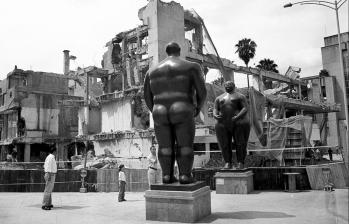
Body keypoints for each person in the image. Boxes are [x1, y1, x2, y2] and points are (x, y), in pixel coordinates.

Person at [143, 42, 207, 184]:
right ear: (179, 51)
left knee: (164, 147)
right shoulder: (191, 67)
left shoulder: (151, 71)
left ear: (166, 52)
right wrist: (197, 108)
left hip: (159, 110)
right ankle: (185, 176)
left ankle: (167, 176)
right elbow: (202, 92)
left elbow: (147, 96)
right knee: (184, 146)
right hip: (182, 107)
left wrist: (154, 109)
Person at [213, 81, 250, 169]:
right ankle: (227, 162)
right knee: (224, 143)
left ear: (234, 86)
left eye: (230, 85)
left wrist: (237, 117)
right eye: (226, 85)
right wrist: (215, 115)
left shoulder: (240, 96)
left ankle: (240, 162)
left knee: (240, 143)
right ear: (224, 86)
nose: (228, 86)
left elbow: (245, 108)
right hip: (222, 123)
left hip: (239, 122)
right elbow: (215, 108)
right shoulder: (219, 98)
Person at [42, 145, 57, 210]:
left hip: (50, 174)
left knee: (49, 190)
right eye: (56, 151)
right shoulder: (51, 157)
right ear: (54, 151)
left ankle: (48, 203)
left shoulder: (50, 157)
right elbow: (48, 166)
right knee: (48, 190)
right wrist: (49, 174)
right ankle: (45, 205)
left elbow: (45, 165)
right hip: (50, 174)